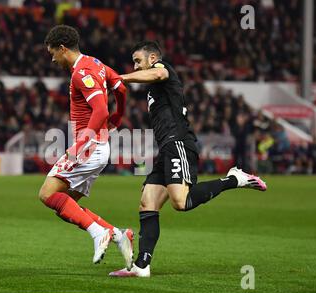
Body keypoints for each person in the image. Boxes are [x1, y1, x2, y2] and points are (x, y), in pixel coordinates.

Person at [109, 41, 267, 277]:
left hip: (179, 143)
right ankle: (142, 266)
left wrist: (120, 78)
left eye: (138, 61)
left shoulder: (163, 69)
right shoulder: (153, 88)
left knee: (180, 203)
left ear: (152, 58)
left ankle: (234, 179)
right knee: (147, 202)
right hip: (166, 148)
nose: (135, 65)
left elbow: (159, 72)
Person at [38, 25, 133, 268]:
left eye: (52, 53)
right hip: (100, 148)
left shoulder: (80, 73)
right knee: (66, 206)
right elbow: (120, 87)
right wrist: (119, 115)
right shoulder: (97, 64)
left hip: (88, 147)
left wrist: (80, 144)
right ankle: (118, 235)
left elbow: (100, 109)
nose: (52, 59)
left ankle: (98, 233)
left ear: (62, 49)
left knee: (47, 194)